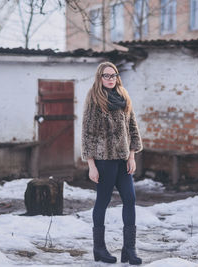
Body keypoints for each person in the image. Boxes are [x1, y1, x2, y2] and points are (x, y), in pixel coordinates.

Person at [81, 62, 143, 265]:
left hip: (123, 160)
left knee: (130, 199)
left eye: (113, 75)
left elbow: (133, 127)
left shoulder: (124, 96)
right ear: (100, 77)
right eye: (106, 75)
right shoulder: (94, 98)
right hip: (103, 161)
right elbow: (88, 134)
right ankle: (99, 249)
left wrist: (132, 156)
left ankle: (129, 250)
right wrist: (91, 165)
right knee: (103, 202)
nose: (110, 79)